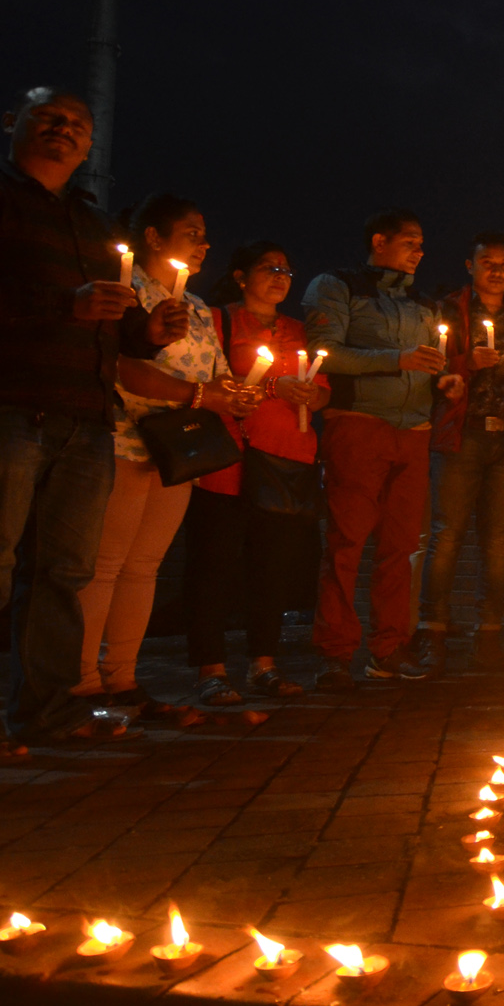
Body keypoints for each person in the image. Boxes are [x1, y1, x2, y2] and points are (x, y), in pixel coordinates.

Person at [0, 87, 186, 764]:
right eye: (49, 118)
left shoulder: (92, 224)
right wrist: (64, 304)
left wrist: (147, 330)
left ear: (90, 146)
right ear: (12, 123)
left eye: (78, 124)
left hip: (82, 412)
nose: (64, 131)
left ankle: (49, 709)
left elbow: (110, 320)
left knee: (63, 572)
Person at [76, 193, 259, 714]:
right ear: (152, 238)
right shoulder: (123, 292)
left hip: (177, 448)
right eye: (191, 233)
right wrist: (203, 397)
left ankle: (124, 679)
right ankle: (84, 682)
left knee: (145, 565)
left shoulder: (197, 308)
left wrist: (241, 393)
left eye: (205, 235)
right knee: (105, 563)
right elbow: (120, 366)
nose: (204, 244)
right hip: (124, 438)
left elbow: (216, 372)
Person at [303, 208, 460, 690]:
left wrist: (443, 382)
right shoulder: (337, 285)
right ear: (379, 241)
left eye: (421, 243)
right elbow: (324, 352)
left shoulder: (423, 303)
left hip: (413, 433)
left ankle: (389, 650)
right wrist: (398, 359)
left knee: (400, 549)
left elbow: (426, 365)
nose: (420, 251)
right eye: (410, 241)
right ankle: (334, 654)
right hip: (358, 425)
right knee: (346, 543)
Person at [185, 242, 328, 702]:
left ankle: (263, 665)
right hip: (231, 461)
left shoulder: (297, 331)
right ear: (242, 276)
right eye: (269, 268)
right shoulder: (219, 321)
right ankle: (211, 669)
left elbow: (321, 390)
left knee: (272, 570)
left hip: (286, 460)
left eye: (287, 269)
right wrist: (272, 385)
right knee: (215, 568)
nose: (281, 276)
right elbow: (205, 376)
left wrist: (311, 396)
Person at [414, 232, 504, 673]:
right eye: (488, 261)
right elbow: (426, 368)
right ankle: (434, 636)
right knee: (446, 536)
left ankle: (489, 636)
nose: (498, 269)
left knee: (497, 543)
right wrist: (465, 365)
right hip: (460, 436)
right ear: (470, 266)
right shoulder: (447, 311)